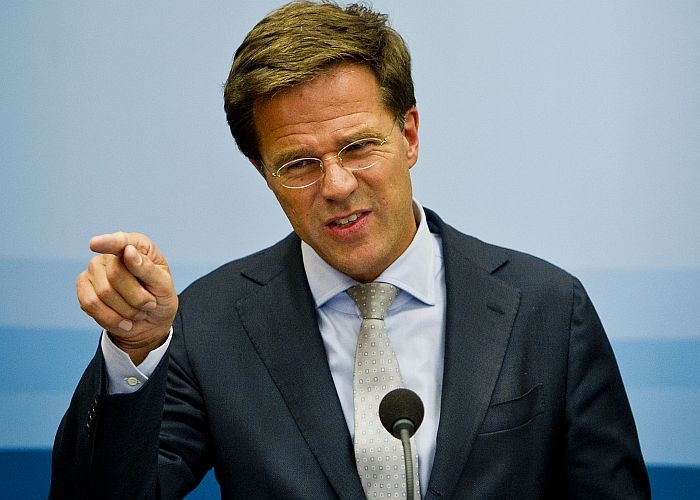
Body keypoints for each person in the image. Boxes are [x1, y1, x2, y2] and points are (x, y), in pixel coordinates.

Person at [50, 2, 650, 499]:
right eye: (299, 164)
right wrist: (136, 349)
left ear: (408, 135)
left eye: (358, 147)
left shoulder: (547, 307)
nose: (336, 186)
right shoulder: (209, 324)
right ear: (263, 173)